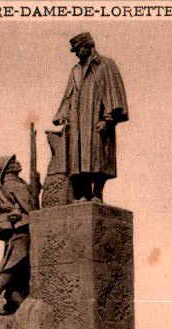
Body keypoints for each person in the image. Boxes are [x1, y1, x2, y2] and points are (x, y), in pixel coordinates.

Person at [53, 32, 128, 203]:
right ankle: (85, 194)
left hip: (96, 120)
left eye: (78, 49)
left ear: (88, 46)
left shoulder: (105, 65)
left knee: (98, 157)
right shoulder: (75, 71)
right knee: (79, 158)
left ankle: (98, 194)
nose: (77, 53)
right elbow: (68, 96)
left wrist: (108, 119)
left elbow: (113, 94)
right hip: (78, 122)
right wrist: (63, 115)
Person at [0, 154, 40, 315]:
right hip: (22, 230)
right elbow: (31, 207)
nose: (18, 162)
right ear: (8, 168)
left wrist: (35, 186)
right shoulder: (14, 185)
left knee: (20, 267)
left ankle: (13, 298)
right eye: (13, 162)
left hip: (19, 230)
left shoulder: (11, 184)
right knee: (15, 262)